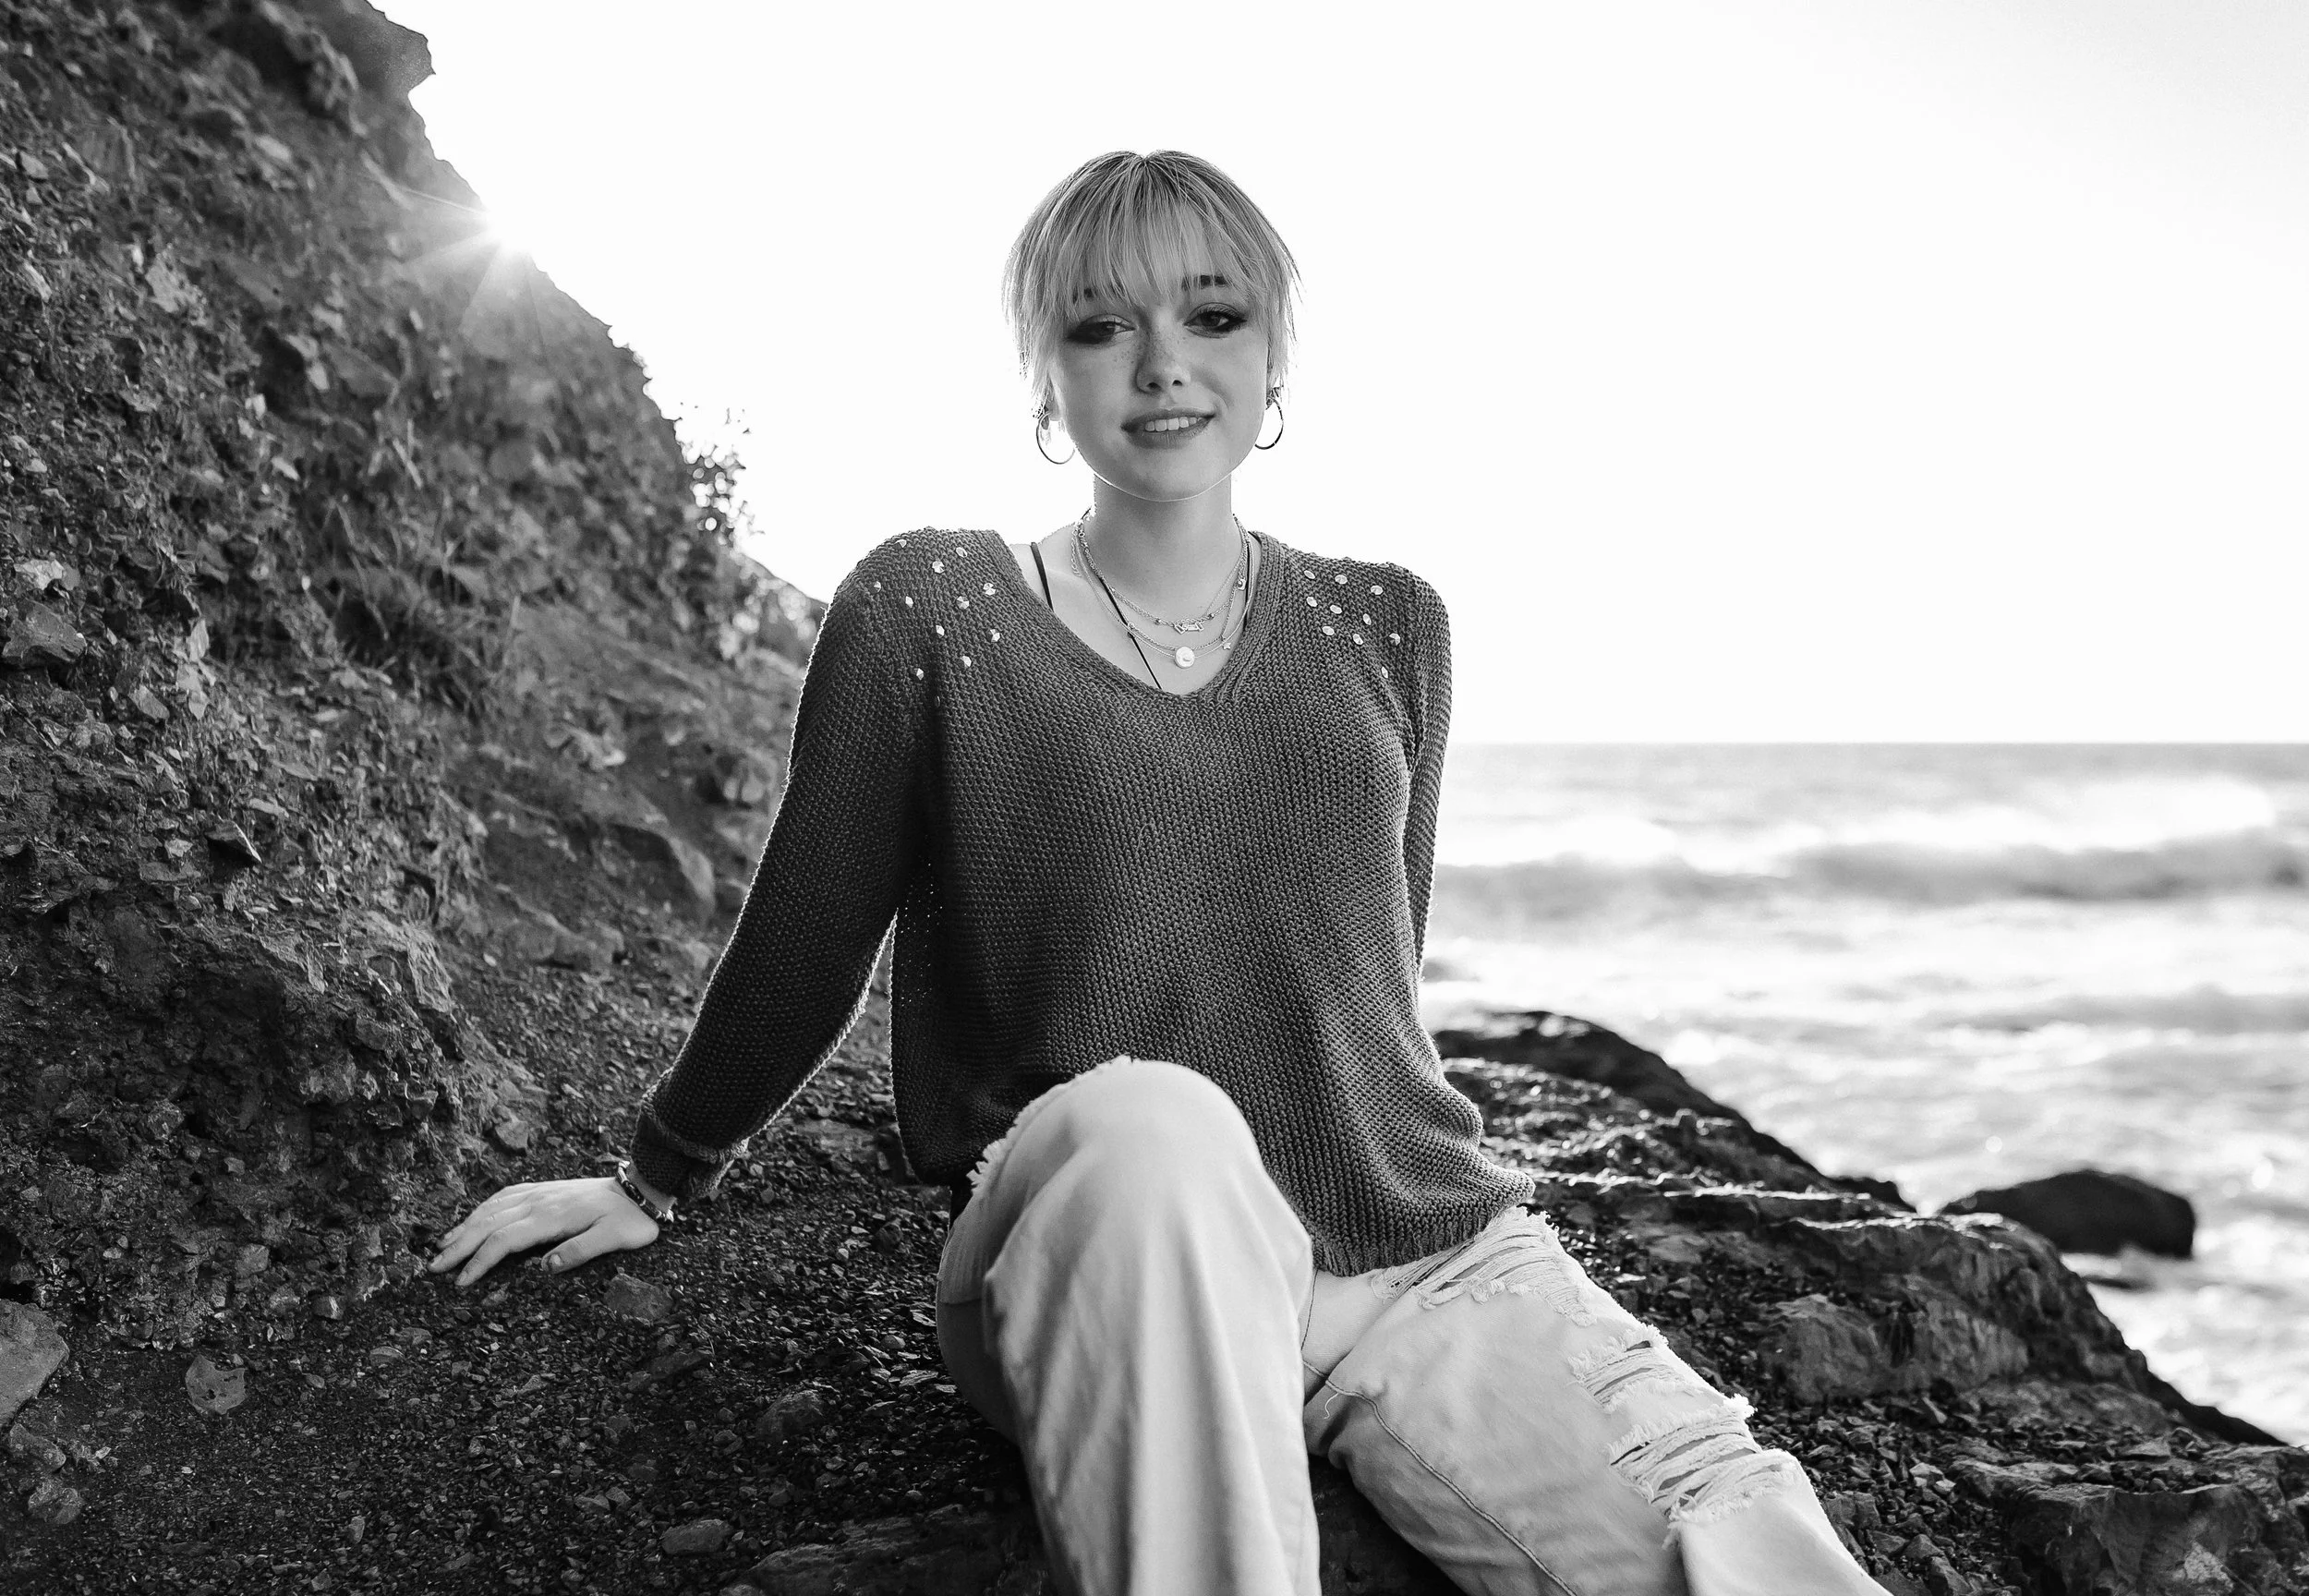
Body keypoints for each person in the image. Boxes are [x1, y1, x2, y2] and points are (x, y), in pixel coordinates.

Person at [430, 151, 1886, 1596]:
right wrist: (658, 1172)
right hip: (1105, 1224)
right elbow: (813, 921)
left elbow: (1381, 963)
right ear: (1042, 373)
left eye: (1212, 316)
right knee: (1159, 1120)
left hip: (1428, 1262)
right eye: (1099, 324)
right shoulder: (936, 608)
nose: (1163, 366)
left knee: (1745, 1531)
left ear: (1274, 357)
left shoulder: (1393, 625)